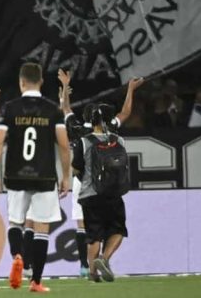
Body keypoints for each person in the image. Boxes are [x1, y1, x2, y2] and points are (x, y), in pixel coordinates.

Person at [0, 63, 71, 293]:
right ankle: (36, 281)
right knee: (41, 228)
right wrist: (67, 175)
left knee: (16, 222)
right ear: (41, 82)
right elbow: (64, 145)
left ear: (21, 82)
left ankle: (17, 256)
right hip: (44, 176)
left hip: (15, 175)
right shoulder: (53, 110)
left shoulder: (11, 108)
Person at [58, 69, 143, 278]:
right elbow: (125, 113)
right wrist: (130, 89)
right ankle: (103, 260)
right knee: (117, 229)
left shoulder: (78, 130)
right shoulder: (113, 133)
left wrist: (65, 90)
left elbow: (66, 108)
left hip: (85, 186)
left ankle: (88, 270)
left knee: (88, 230)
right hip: (111, 187)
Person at [72, 104, 130, 283]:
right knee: (118, 230)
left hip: (90, 194)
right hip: (113, 193)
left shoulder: (84, 141)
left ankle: (92, 273)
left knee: (93, 235)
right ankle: (104, 259)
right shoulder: (118, 140)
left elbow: (75, 169)